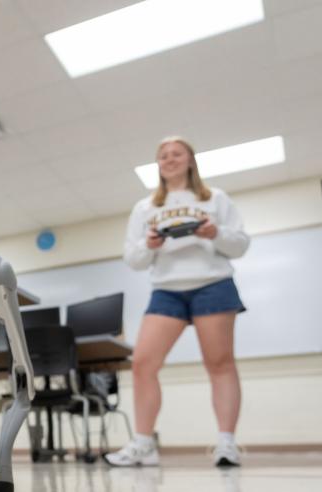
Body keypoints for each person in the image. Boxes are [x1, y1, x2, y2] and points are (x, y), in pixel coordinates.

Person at [105, 136, 250, 467]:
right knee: (143, 363)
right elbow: (134, 259)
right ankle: (144, 444)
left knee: (220, 363)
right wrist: (150, 244)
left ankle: (226, 443)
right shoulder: (145, 208)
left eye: (176, 154)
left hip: (213, 284)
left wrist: (215, 234)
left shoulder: (216, 198)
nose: (169, 159)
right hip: (166, 290)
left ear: (190, 160)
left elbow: (240, 245)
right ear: (158, 164)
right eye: (163, 155)